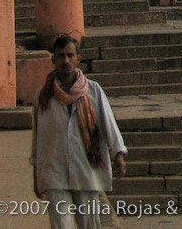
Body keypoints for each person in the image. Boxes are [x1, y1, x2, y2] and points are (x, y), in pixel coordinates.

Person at [32, 35, 127, 228]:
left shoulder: (93, 91)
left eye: (70, 55)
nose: (65, 61)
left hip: (86, 170)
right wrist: (37, 174)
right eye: (61, 56)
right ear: (53, 60)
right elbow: (38, 137)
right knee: (62, 225)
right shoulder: (43, 97)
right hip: (54, 172)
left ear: (78, 58)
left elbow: (108, 122)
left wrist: (118, 153)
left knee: (89, 224)